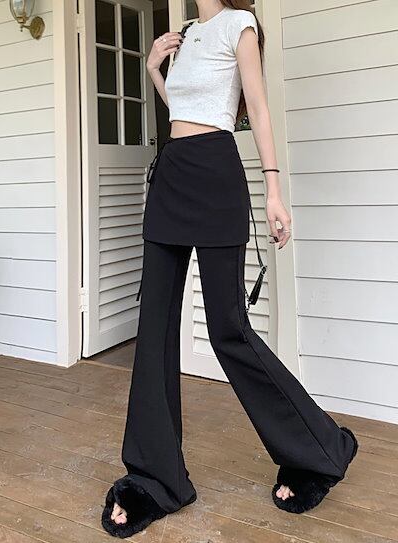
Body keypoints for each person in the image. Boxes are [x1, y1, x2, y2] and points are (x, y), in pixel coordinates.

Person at [101, 0, 358, 538]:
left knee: (228, 328)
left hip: (216, 176)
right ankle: (154, 479)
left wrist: (273, 191)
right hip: (172, 173)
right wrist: (153, 70)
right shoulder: (186, 34)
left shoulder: (239, 26)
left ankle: (319, 448)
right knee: (154, 328)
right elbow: (185, 110)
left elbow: (254, 109)